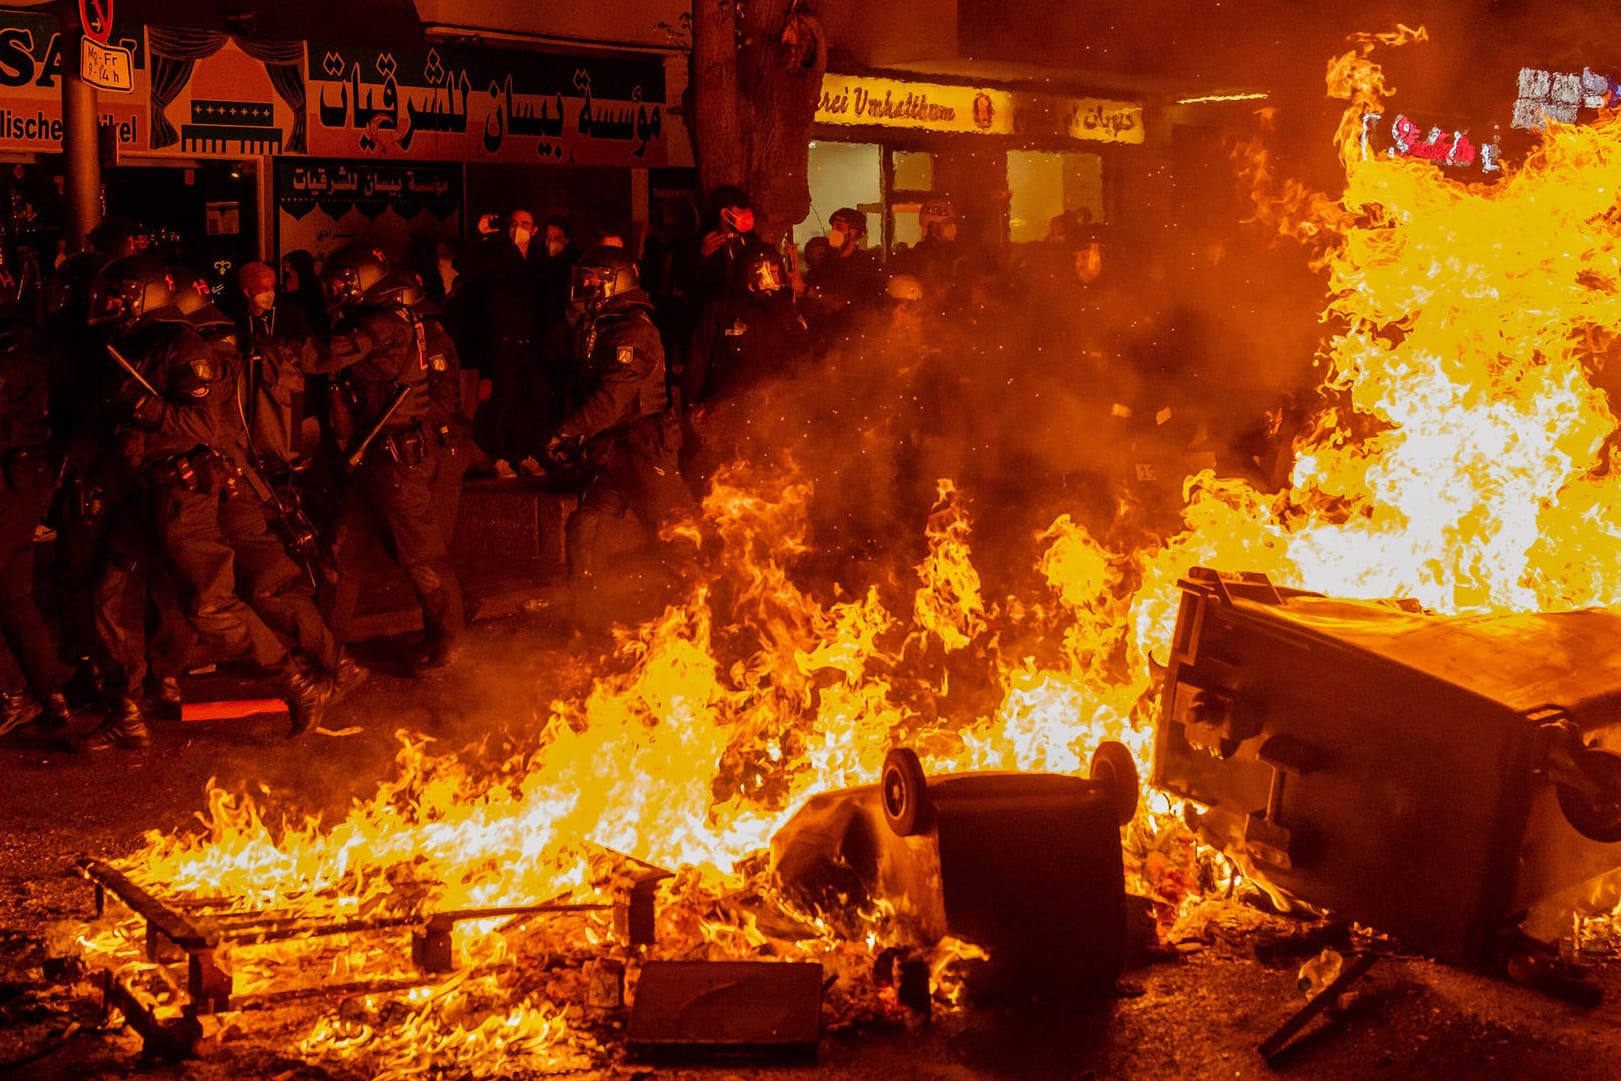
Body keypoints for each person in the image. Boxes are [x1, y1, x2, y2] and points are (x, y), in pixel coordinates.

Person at [78, 255, 331, 749]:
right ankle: (126, 709)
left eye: (120, 295)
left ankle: (296, 684)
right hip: (140, 490)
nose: (110, 305)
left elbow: (201, 427)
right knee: (109, 596)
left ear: (145, 296)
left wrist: (144, 405)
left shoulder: (185, 347)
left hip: (182, 493)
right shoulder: (129, 346)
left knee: (210, 605)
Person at [314, 244, 463, 676]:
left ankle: (451, 647)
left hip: (404, 455)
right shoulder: (362, 324)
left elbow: (439, 398)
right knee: (339, 550)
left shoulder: (412, 329)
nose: (337, 290)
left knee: (422, 558)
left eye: (344, 280)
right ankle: (327, 651)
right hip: (371, 457)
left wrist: (424, 442)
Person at [547, 243, 694, 621]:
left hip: (644, 449)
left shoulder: (632, 331)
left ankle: (708, 617)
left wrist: (569, 431)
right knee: (587, 530)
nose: (586, 288)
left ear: (616, 284)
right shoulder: (602, 325)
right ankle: (589, 620)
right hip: (613, 448)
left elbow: (614, 396)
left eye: (593, 281)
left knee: (679, 541)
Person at [0, 308, 72, 738]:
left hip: (8, 485)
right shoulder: (39, 356)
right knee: (14, 597)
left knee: (12, 597)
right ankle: (51, 699)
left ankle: (20, 693)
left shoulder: (11, 363)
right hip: (25, 484)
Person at [467, 208, 548, 474]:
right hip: (501, 344)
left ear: (534, 230)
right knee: (501, 402)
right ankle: (499, 458)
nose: (519, 227)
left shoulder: (539, 260)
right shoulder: (497, 256)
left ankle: (525, 453)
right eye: (514, 223)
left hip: (531, 345)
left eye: (525, 223)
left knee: (530, 401)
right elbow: (474, 273)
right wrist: (483, 239)